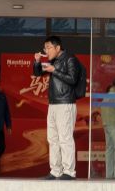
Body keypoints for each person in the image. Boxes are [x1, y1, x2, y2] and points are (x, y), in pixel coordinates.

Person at [33, 35, 80, 180]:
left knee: (65, 138)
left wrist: (54, 70)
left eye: (48, 48)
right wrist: (37, 62)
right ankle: (55, 171)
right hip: (53, 104)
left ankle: (69, 171)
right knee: (52, 138)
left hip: (65, 103)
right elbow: (37, 73)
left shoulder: (70, 59)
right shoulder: (53, 61)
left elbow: (73, 79)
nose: (46, 51)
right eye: (45, 48)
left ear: (58, 47)